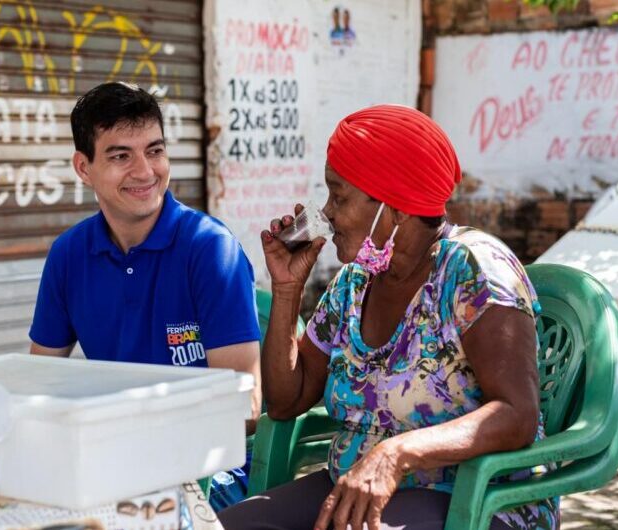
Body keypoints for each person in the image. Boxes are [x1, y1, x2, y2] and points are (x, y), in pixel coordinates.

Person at [219, 105, 559, 530]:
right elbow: (288, 401)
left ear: (395, 208)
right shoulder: (355, 282)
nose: (327, 213)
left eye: (339, 197)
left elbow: (516, 414)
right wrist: (287, 290)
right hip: (353, 485)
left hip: (474, 496)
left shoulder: (474, 271)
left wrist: (396, 454)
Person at [28, 81, 261, 429]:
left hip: (202, 456)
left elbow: (244, 407)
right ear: (83, 168)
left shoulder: (211, 248)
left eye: (154, 151)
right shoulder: (68, 255)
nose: (145, 171)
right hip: (110, 444)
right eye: (121, 156)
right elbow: (38, 383)